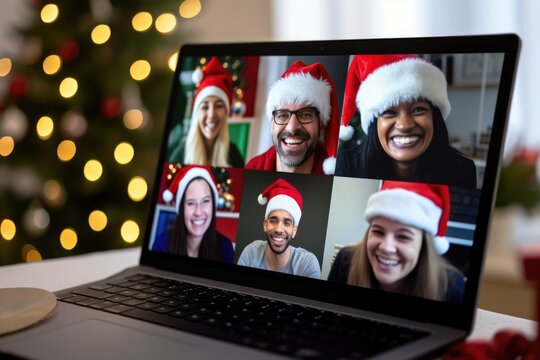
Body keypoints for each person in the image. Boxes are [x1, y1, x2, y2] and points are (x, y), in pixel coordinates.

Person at [336, 54, 477, 188]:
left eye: (418, 110)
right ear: (374, 123)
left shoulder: (462, 170)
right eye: (389, 112)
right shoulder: (347, 165)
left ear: (434, 117)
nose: (404, 125)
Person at [328, 180, 465, 303]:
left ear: (424, 245)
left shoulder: (452, 287)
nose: (387, 247)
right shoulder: (345, 261)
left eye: (403, 236)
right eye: (378, 231)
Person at [245, 60, 341, 175]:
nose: (292, 128)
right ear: (272, 124)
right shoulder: (252, 169)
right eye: (283, 115)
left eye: (305, 115)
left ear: (321, 125)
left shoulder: (340, 172)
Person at [237, 178, 321, 278]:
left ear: (294, 230)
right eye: (273, 221)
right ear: (265, 225)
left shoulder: (308, 263)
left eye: (287, 223)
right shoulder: (251, 252)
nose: (279, 229)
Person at [170, 56, 244, 168]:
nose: (211, 114)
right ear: (196, 113)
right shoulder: (179, 155)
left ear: (226, 113)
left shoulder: (234, 155)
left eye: (219, 106)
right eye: (205, 107)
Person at [152, 165, 234, 263]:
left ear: (213, 205)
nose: (198, 212)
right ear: (181, 208)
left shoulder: (225, 248)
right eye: (191, 203)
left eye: (205, 201)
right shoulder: (162, 243)